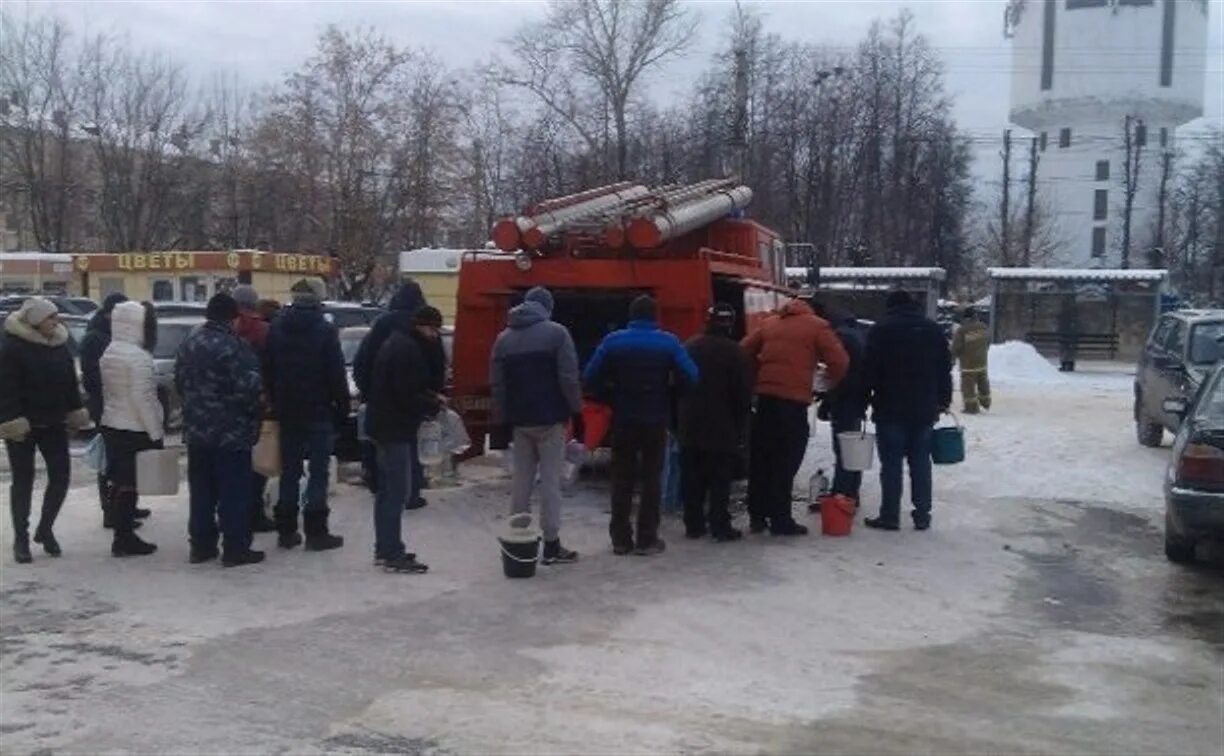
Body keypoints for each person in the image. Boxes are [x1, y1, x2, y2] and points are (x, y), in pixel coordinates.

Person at [583, 295, 698, 556]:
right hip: (655, 417)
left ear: (631, 316)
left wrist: (609, 394)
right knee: (651, 478)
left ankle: (621, 539)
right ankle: (647, 538)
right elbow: (692, 377)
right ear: (655, 316)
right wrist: (671, 392)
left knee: (621, 477)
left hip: (623, 418)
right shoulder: (668, 342)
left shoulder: (613, 342)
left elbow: (589, 376)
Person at [742, 297, 848, 536]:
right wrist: (827, 385)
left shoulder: (769, 324)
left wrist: (757, 376)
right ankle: (780, 519)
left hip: (765, 400)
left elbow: (744, 350)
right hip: (792, 403)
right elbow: (839, 361)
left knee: (761, 458)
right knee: (786, 459)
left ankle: (757, 516)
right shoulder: (818, 326)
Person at [491, 287, 582, 564]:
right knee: (551, 483)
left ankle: (516, 540)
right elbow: (568, 377)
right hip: (550, 419)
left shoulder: (503, 339)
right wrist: (576, 410)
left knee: (521, 482)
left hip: (520, 421)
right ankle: (552, 546)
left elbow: (498, 386)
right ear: (547, 307)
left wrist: (502, 419)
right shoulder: (557, 333)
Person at [176, 293, 265, 567]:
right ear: (233, 317)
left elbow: (179, 383)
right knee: (233, 491)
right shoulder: (234, 347)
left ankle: (201, 546)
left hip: (197, 432)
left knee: (201, 491)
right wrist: (254, 418)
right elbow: (249, 389)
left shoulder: (189, 344)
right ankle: (235, 548)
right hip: (231, 432)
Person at [0, 298, 92, 563]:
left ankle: (45, 528)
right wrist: (12, 420)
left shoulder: (58, 345)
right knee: (23, 482)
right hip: (23, 426)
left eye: (56, 317)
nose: (56, 322)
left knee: (61, 477)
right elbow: (6, 390)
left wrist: (75, 412)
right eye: (51, 317)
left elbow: (69, 384)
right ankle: (21, 539)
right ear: (36, 321)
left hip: (54, 422)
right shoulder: (12, 347)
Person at [265, 278, 348, 551]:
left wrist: (275, 400)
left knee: (290, 471)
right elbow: (336, 373)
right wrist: (342, 407)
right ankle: (316, 531)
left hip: (287, 410)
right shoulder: (324, 330)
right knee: (318, 472)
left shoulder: (277, 327)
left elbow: (267, 368)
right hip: (319, 410)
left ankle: (286, 530)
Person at [862, 289, 953, 532]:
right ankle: (922, 514)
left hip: (890, 408)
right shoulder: (932, 330)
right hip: (924, 408)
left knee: (891, 464)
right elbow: (944, 368)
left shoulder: (881, 330)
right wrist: (943, 400)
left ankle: (890, 515)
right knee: (920, 462)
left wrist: (863, 398)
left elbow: (868, 369)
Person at [365, 305, 439, 574]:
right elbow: (406, 393)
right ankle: (391, 552)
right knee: (397, 491)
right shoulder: (408, 350)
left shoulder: (397, 342)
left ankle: (384, 548)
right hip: (394, 427)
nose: (435, 335)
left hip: (382, 424)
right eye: (434, 329)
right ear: (424, 326)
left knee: (386, 491)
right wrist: (432, 404)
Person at [677, 303, 753, 543]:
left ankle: (693, 524)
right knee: (720, 478)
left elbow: (675, 384)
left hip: (690, 422)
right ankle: (720, 525)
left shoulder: (689, 346)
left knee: (692, 477)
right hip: (723, 426)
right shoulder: (735, 352)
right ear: (729, 324)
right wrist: (742, 425)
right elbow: (742, 393)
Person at [100, 300, 164, 557]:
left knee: (120, 482)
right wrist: (155, 432)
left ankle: (121, 532)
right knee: (130, 485)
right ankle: (124, 538)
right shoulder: (138, 357)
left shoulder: (111, 350)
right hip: (134, 427)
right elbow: (143, 398)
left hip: (113, 423)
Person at [79, 292, 149, 530]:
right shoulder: (95, 339)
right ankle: (111, 511)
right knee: (110, 460)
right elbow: (93, 379)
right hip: (108, 407)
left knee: (127, 460)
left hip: (124, 405)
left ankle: (126, 506)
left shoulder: (114, 335)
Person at [353, 282, 427, 501]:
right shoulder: (421, 324)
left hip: (378, 396)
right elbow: (433, 362)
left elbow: (362, 361)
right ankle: (411, 491)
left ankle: (378, 482)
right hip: (410, 395)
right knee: (409, 443)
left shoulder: (380, 325)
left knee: (378, 443)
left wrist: (366, 389)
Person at [232, 285, 277, 532]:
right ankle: (255, 512)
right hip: (261, 403)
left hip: (231, 407)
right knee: (259, 462)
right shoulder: (264, 331)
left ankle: (233, 511)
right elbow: (272, 368)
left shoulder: (229, 329)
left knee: (235, 463)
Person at [814, 301, 868, 502]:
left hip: (844, 398)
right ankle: (852, 492)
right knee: (852, 446)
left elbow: (838, 372)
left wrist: (827, 399)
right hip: (857, 398)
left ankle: (841, 493)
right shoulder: (858, 335)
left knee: (843, 447)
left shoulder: (841, 338)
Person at [952, 306, 991, 414]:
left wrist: (952, 358)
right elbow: (988, 342)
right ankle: (986, 401)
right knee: (982, 381)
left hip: (968, 364)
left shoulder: (962, 330)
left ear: (965, 318)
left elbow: (956, 347)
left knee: (968, 387)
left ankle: (971, 407)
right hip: (982, 361)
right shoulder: (983, 327)